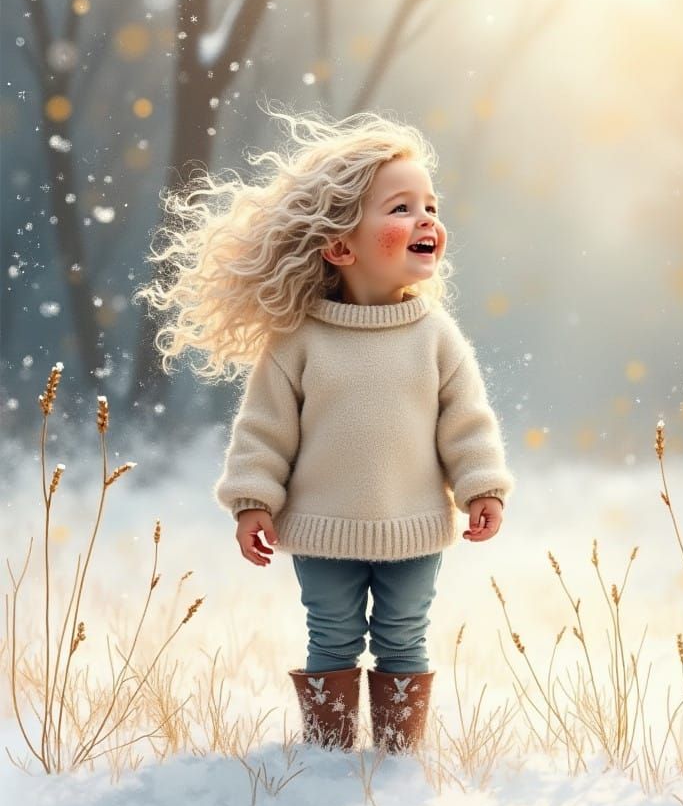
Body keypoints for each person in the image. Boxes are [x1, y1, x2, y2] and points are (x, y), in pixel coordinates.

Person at [133, 105, 514, 754]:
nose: (426, 219)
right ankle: (330, 754)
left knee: (403, 632)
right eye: (400, 208)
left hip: (414, 526)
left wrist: (483, 487)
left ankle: (397, 755)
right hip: (322, 530)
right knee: (332, 632)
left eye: (430, 204)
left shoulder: (435, 335)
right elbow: (264, 431)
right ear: (340, 245)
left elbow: (467, 422)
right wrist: (253, 500)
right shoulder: (300, 340)